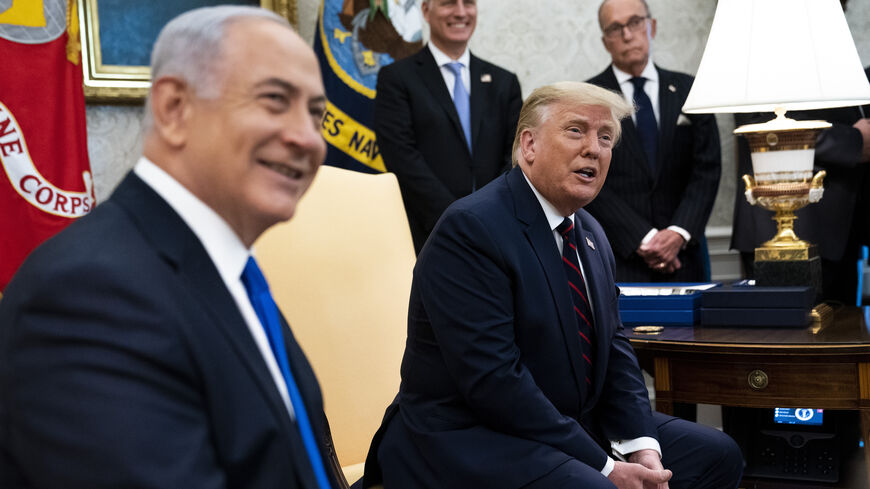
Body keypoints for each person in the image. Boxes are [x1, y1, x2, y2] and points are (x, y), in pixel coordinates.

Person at [0, 7, 338, 489]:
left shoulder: (234, 277)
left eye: (316, 113)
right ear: (175, 109)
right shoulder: (88, 296)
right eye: (275, 101)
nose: (307, 138)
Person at [360, 82, 742, 489]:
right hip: (471, 435)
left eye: (606, 137)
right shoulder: (471, 229)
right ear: (529, 145)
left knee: (717, 455)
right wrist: (607, 467)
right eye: (576, 131)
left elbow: (613, 350)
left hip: (566, 422)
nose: (594, 148)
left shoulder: (591, 232)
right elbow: (494, 381)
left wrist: (642, 446)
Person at [586, 0, 721, 282]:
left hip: (685, 255)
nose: (627, 34)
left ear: (652, 26)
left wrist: (677, 233)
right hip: (622, 256)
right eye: (615, 28)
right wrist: (644, 238)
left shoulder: (690, 90)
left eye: (635, 22)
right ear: (604, 41)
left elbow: (707, 170)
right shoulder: (590, 99)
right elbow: (589, 175)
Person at [374, 0, 522, 253]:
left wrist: (491, 214)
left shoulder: (504, 82)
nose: (461, 12)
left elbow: (517, 151)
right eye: (448, 3)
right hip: (427, 234)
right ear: (425, 11)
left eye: (469, 3)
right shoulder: (397, 79)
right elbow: (402, 158)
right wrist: (457, 219)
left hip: (499, 230)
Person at [731, 67, 870, 304]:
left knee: (842, 333)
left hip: (845, 227)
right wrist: (854, 142)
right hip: (792, 226)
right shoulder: (756, 51)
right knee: (788, 333)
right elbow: (761, 123)